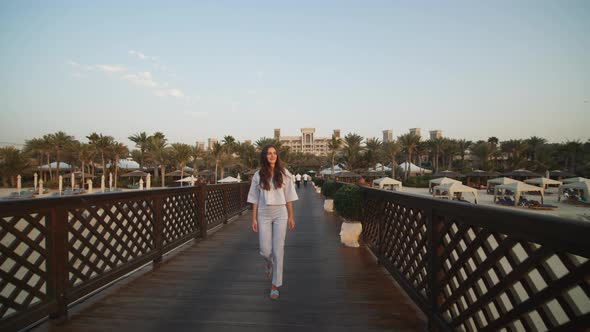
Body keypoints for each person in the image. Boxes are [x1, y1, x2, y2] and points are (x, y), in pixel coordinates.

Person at [247, 145, 298, 300]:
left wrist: (291, 216)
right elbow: (254, 198)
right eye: (269, 153)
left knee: (278, 249)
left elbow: (289, 196)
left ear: (277, 156)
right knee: (265, 250)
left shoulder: (284, 173)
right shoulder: (258, 175)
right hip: (263, 213)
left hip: (280, 213)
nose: (272, 156)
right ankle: (268, 263)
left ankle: (275, 285)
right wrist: (253, 218)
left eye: (274, 153)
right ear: (265, 156)